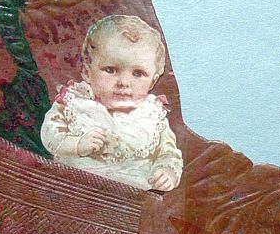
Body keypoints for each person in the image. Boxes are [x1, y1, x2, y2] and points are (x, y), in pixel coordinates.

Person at [40, 15, 183, 191]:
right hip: (76, 191)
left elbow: (169, 154)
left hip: (130, 199)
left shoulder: (152, 116)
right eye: (110, 70)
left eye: (138, 73)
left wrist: (168, 172)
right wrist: (76, 144)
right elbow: (50, 134)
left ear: (153, 81)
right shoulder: (75, 103)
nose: (123, 82)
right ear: (87, 72)